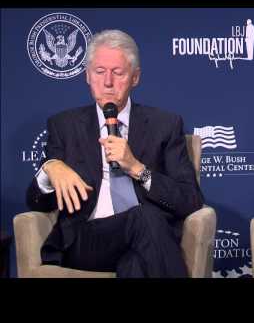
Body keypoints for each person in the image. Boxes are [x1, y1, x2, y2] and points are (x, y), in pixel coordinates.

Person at [26, 29, 204, 277]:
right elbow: (36, 201)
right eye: (99, 72)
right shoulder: (64, 125)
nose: (107, 82)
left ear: (135, 78)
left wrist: (137, 169)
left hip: (148, 239)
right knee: (145, 219)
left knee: (135, 263)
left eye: (118, 73)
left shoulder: (165, 125)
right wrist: (50, 168)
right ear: (88, 76)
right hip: (88, 239)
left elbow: (190, 199)